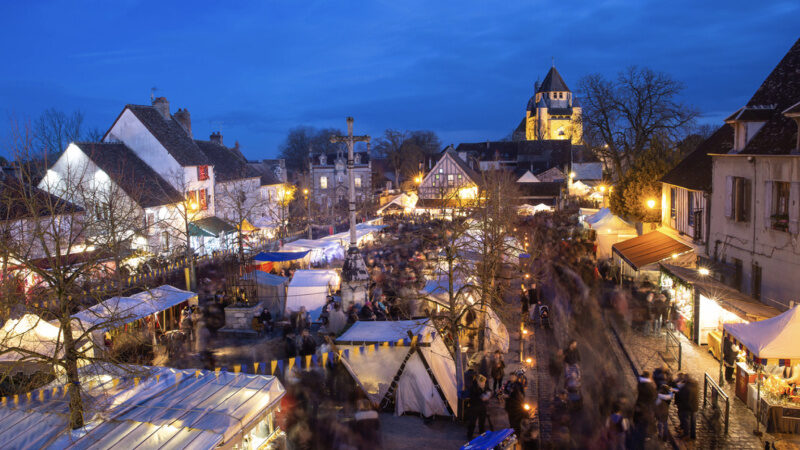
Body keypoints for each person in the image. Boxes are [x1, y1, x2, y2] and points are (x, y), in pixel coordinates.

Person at [465, 374, 492, 440]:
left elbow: (489, 390)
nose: (483, 384)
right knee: (472, 422)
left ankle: (481, 433)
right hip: (474, 407)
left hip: (483, 406)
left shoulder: (485, 385)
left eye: (484, 383)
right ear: (478, 382)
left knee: (482, 421)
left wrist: (489, 393)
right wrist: (481, 398)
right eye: (482, 383)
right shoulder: (473, 387)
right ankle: (469, 435)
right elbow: (472, 398)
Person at [675, 373, 699, 440]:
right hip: (694, 406)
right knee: (693, 421)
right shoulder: (695, 385)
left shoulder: (686, 388)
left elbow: (684, 398)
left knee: (686, 421)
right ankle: (693, 435)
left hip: (687, 407)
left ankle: (686, 435)